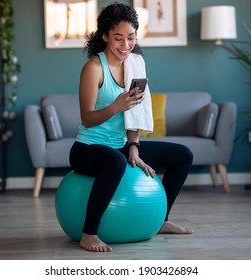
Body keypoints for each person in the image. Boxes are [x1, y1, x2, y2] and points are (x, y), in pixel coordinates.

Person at [69, 3, 194, 252]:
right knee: (115, 162)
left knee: (183, 155)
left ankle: (160, 220)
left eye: (131, 38)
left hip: (121, 146)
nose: (125, 45)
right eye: (118, 38)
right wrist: (116, 106)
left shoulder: (135, 64)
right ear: (104, 36)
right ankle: (88, 233)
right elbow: (87, 118)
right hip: (88, 148)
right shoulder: (94, 69)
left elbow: (135, 110)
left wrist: (134, 146)